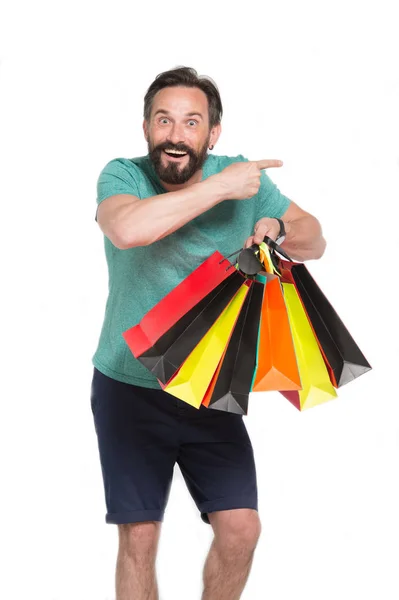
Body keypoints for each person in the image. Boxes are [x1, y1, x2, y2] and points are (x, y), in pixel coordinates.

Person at [91, 66, 326, 600]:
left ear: (212, 133)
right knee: (140, 536)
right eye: (164, 120)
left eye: (191, 122)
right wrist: (223, 187)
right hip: (129, 386)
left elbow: (315, 238)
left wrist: (280, 226)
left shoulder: (246, 181)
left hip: (209, 388)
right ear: (147, 126)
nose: (176, 134)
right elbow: (128, 229)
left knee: (242, 527)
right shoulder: (122, 175)